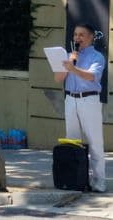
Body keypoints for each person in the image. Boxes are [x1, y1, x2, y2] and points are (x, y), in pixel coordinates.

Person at [55, 23, 107, 193]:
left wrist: (74, 69)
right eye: (76, 34)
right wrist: (68, 64)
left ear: (91, 37)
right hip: (70, 99)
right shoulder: (70, 56)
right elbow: (58, 79)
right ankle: (74, 179)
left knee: (95, 143)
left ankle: (99, 181)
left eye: (82, 35)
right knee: (72, 141)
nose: (77, 38)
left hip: (89, 100)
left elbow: (92, 77)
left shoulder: (97, 56)